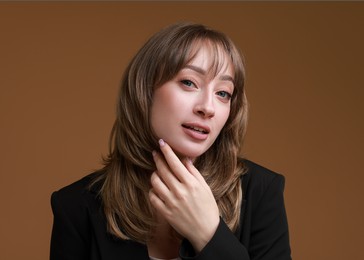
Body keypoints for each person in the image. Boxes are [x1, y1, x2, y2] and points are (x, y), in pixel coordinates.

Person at [50, 22, 291, 260]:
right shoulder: (76, 207)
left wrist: (209, 235)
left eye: (223, 93)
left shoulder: (260, 192)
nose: (208, 108)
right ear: (144, 90)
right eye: (189, 82)